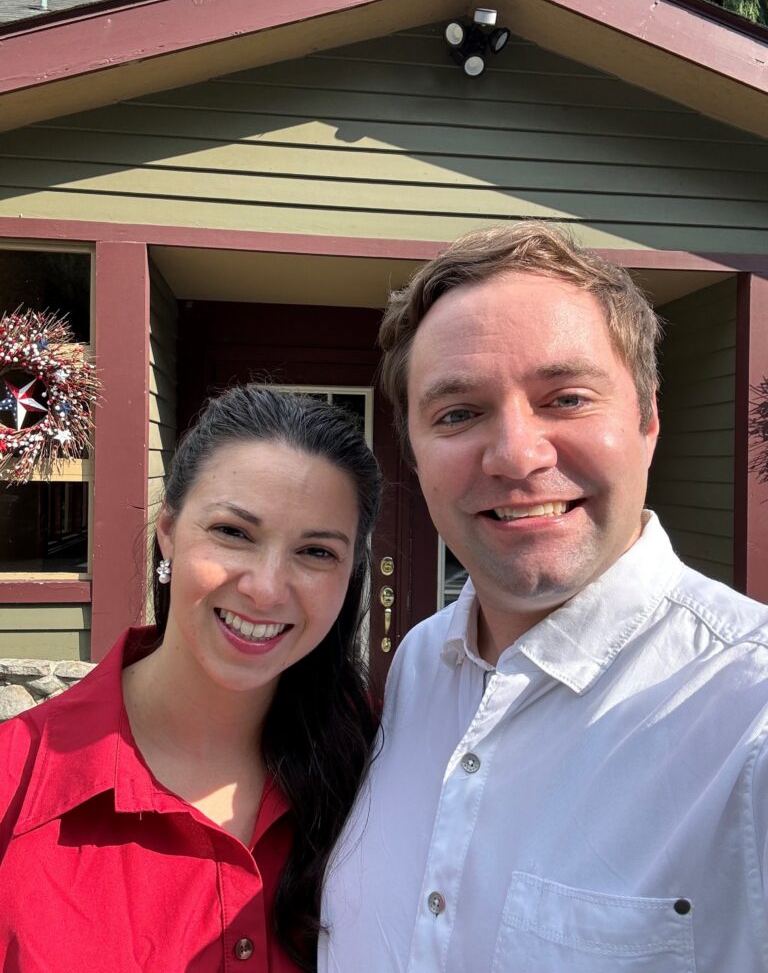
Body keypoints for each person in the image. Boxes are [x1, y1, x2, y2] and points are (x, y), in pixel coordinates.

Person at [319, 223, 768, 973]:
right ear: (415, 450)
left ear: (648, 421)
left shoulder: (747, 717)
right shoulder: (423, 664)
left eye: (565, 398)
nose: (517, 456)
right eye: (458, 413)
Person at [0, 385, 381, 973]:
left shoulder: (385, 763)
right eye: (233, 532)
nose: (266, 587)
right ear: (169, 530)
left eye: (316, 552)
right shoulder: (15, 784)